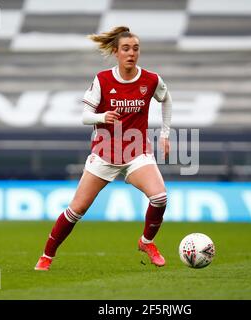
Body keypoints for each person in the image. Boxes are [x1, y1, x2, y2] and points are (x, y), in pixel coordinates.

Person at [34, 26, 172, 271]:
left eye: (136, 49)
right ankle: (47, 255)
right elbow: (85, 116)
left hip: (136, 153)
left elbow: (166, 99)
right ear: (116, 52)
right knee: (76, 211)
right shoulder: (103, 79)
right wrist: (102, 117)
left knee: (160, 197)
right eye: (126, 49)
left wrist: (164, 134)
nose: (132, 53)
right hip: (104, 155)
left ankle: (146, 242)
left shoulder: (150, 79)